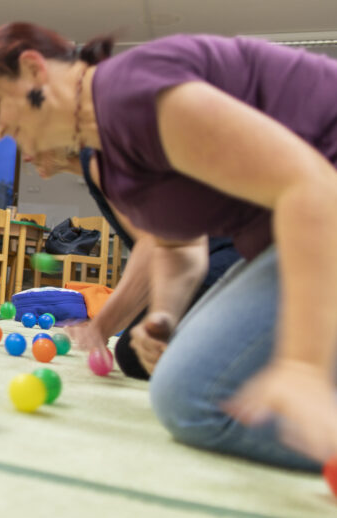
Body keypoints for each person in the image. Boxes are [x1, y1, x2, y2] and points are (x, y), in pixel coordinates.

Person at [0, 23, 337, 481]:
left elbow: (317, 188)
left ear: (34, 71)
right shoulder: (111, 157)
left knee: (199, 396)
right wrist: (164, 319)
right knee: (191, 383)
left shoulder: (131, 94)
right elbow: (179, 249)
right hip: (333, 224)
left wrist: (305, 366)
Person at [29, 147, 240, 380]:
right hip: (198, 264)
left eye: (22, 132)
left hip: (229, 259)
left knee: (135, 353)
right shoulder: (97, 163)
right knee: (136, 351)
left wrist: (101, 326)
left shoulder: (100, 158)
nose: (26, 155)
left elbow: (152, 244)